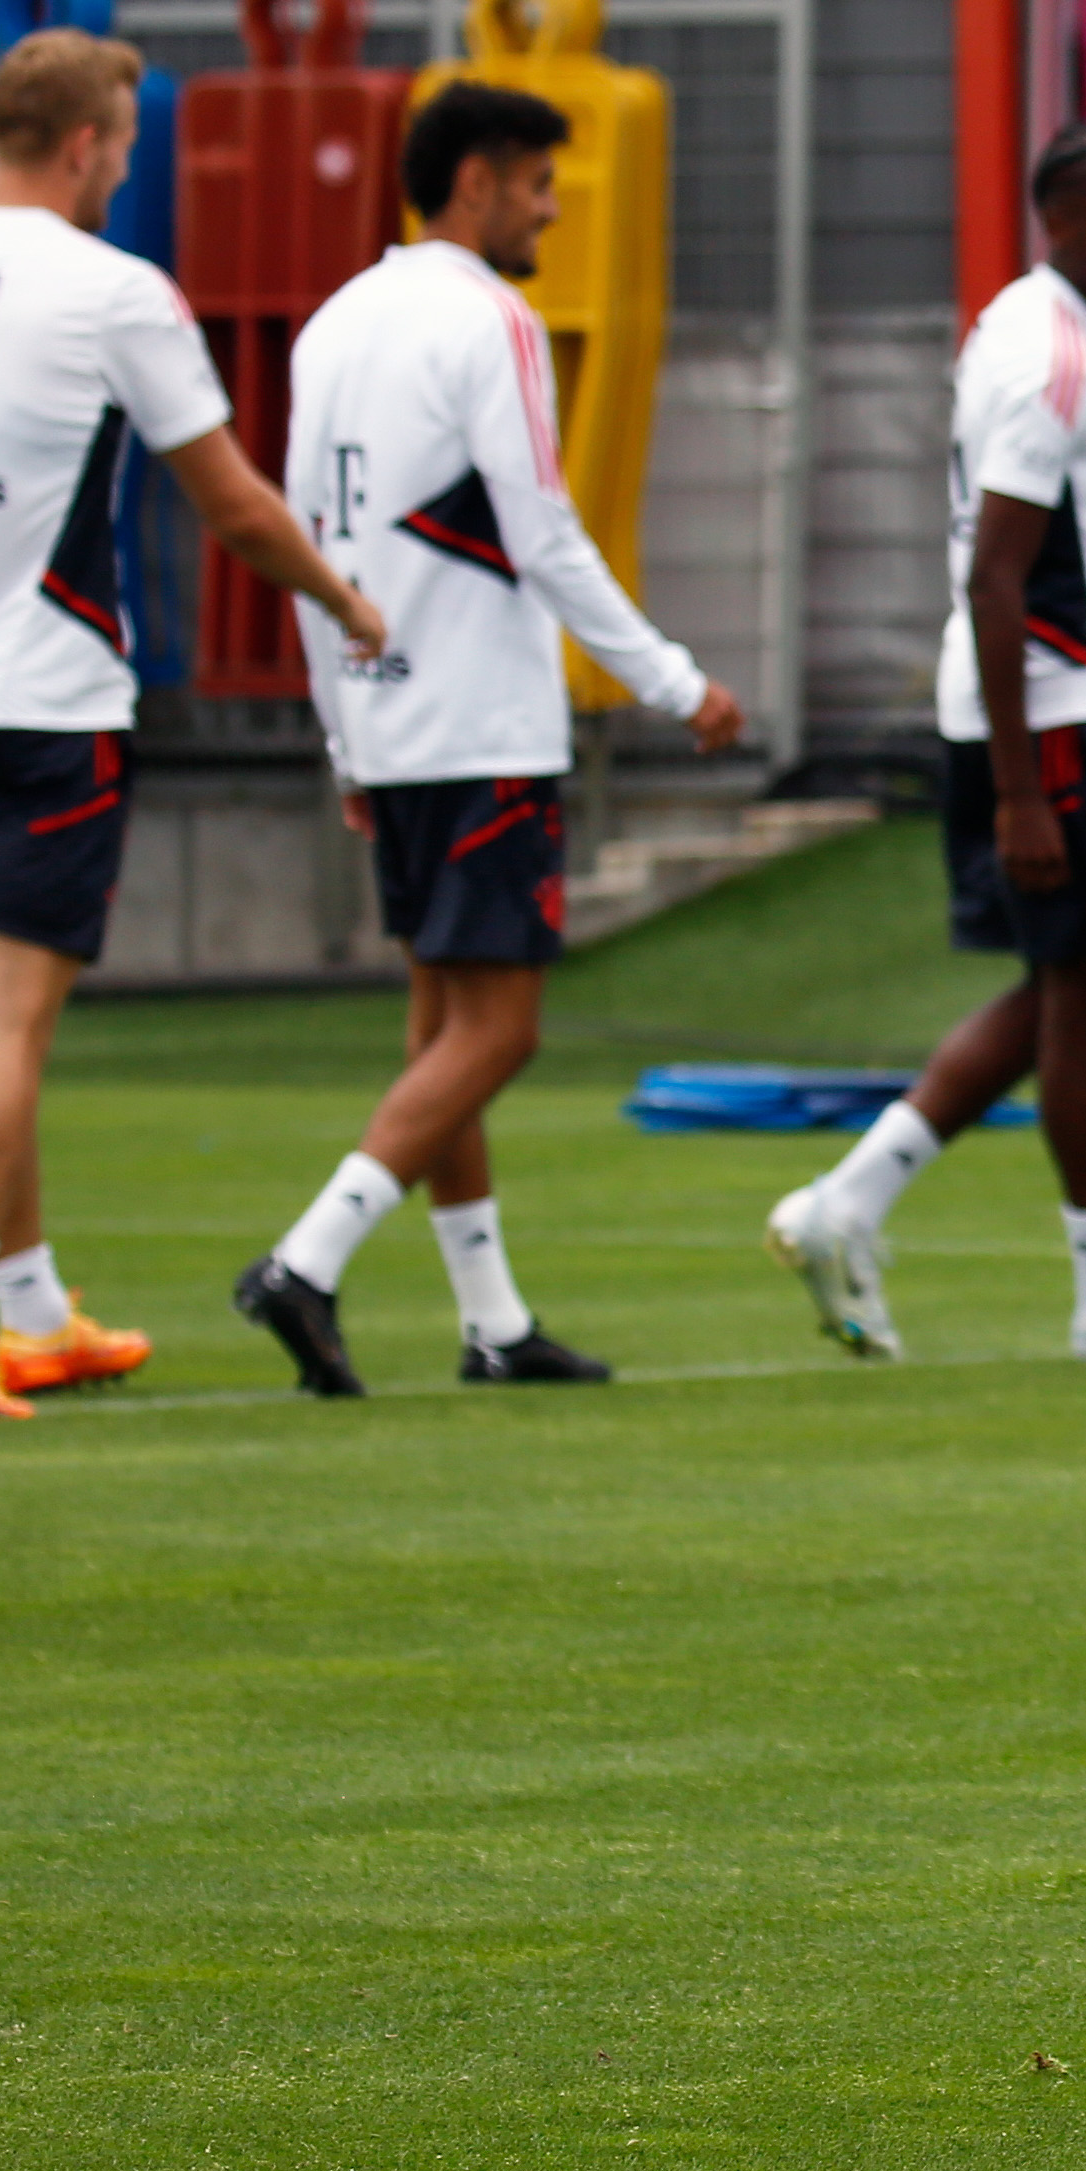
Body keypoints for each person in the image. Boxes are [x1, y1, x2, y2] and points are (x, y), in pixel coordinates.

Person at [0, 30, 384, 1419]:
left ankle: (36, 1313)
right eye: (123, 143)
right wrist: (348, 604)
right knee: (3, 1028)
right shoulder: (115, 291)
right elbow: (232, 501)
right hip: (45, 708)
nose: (126, 165)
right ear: (83, 144)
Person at [229, 84, 746, 1398]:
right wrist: (673, 683)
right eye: (534, 184)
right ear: (473, 181)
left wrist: (344, 737)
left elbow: (303, 542)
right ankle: (306, 1256)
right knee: (499, 1032)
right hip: (480, 717)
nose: (552, 208)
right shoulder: (490, 319)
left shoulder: (335, 322)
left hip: (387, 708)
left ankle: (491, 1321)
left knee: (438, 1019)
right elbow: (545, 531)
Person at [762, 124, 1086, 1370]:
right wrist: (1028, 793)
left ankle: (850, 1201)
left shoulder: (1029, 328)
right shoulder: (1052, 358)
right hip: (1057, 721)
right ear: (1059, 224)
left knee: (1061, 989)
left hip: (1041, 716)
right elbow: (997, 576)